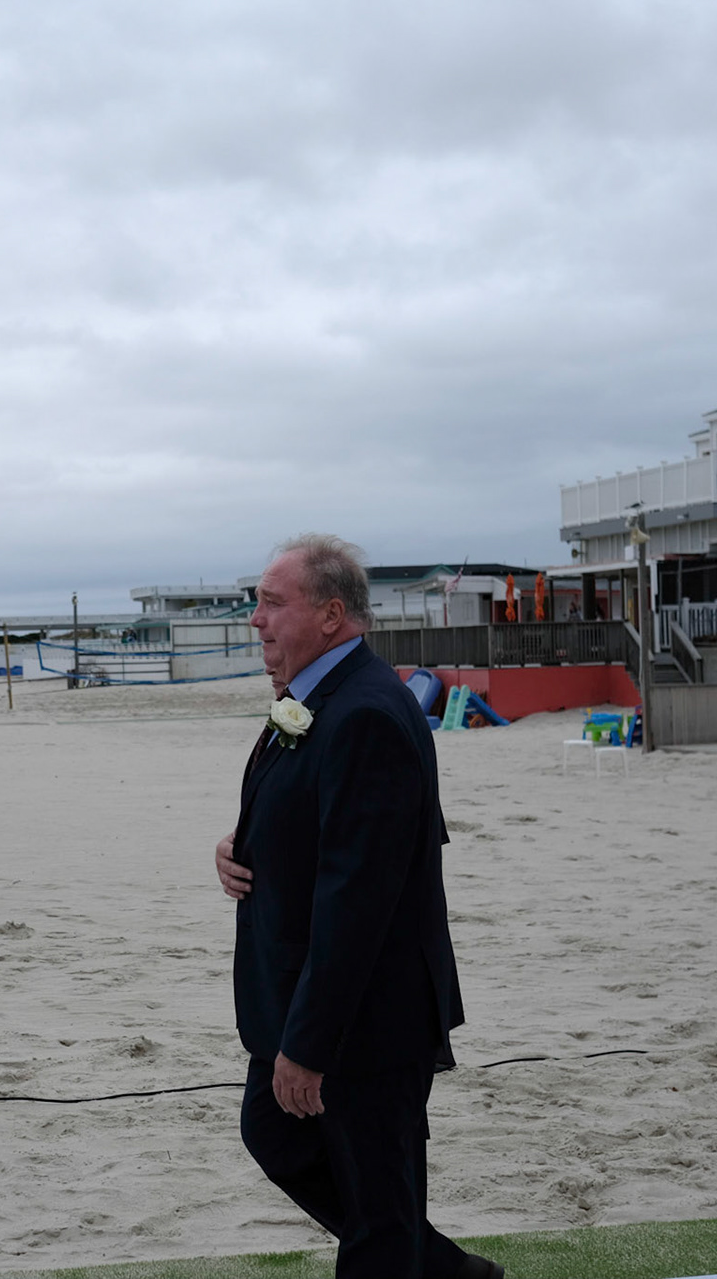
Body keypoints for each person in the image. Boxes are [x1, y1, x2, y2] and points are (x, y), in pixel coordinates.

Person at [212, 534, 496, 1279]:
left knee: (377, 1214)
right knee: (278, 1134)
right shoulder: (313, 699)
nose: (256, 620)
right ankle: (449, 1272)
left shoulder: (366, 711)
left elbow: (359, 897)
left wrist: (310, 1046)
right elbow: (320, 825)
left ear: (332, 615)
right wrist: (243, 847)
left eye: (272, 603)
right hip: (301, 996)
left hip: (366, 1016)